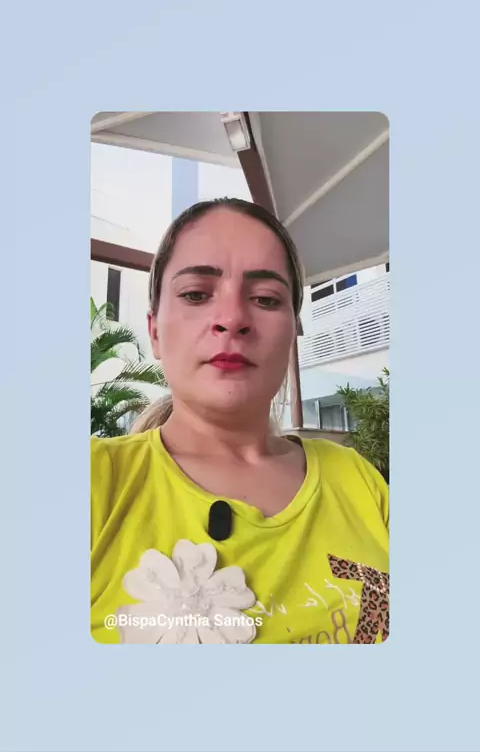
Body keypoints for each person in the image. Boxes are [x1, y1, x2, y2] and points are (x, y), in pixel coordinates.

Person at [91, 198, 389, 645]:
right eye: (196, 294)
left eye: (266, 299)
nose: (232, 319)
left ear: (292, 333)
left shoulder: (359, 481)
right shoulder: (92, 482)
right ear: (154, 331)